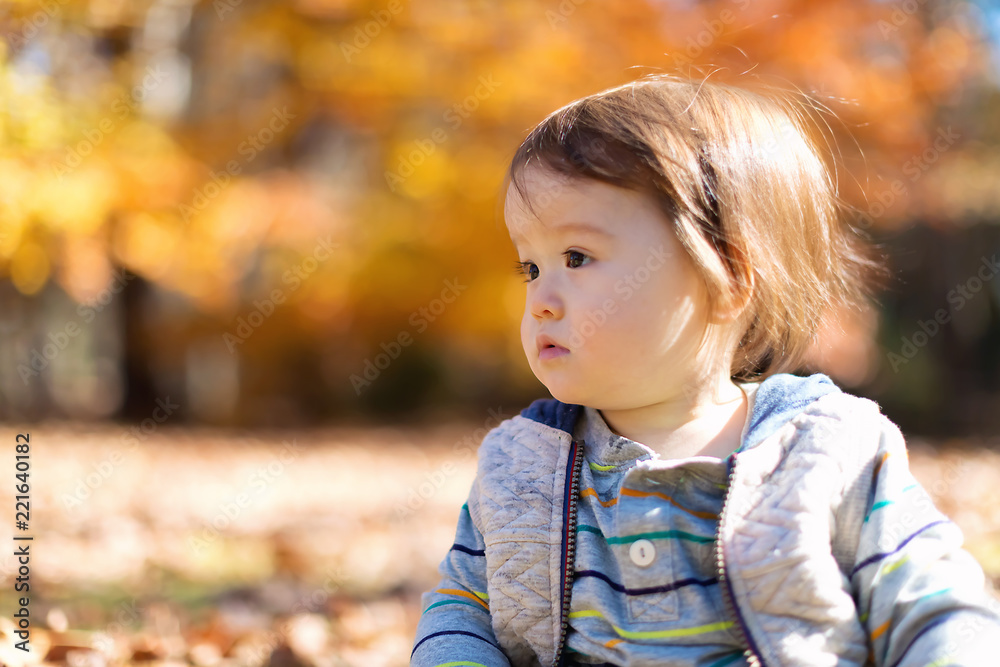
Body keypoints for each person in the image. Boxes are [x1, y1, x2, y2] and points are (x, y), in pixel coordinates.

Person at [410, 73, 1000, 666]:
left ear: (729, 280)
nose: (540, 298)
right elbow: (463, 607)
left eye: (576, 257)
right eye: (531, 268)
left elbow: (934, 605)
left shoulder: (825, 449)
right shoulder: (523, 467)